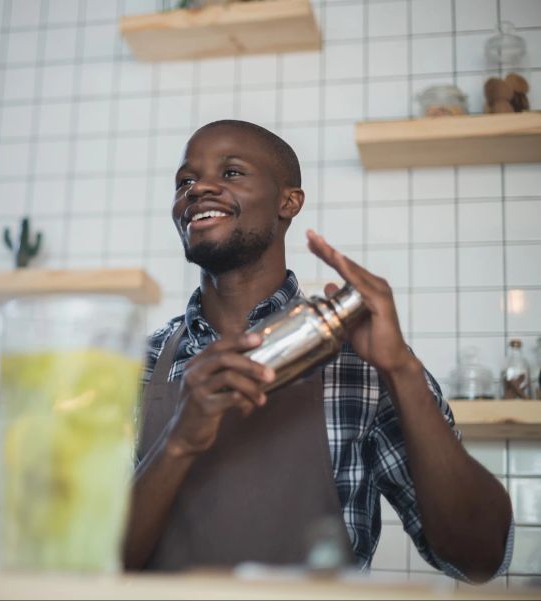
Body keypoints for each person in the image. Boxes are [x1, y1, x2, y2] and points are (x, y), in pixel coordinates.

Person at [123, 120, 513, 582]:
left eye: (231, 173)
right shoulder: (136, 367)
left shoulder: (366, 367)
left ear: (289, 201)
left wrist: (402, 369)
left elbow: (479, 556)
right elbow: (90, 566)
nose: (198, 188)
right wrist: (178, 441)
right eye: (185, 181)